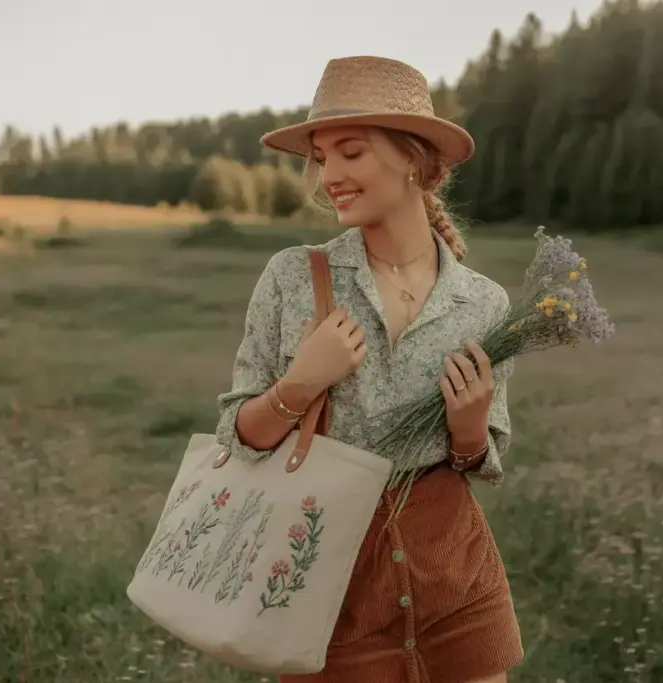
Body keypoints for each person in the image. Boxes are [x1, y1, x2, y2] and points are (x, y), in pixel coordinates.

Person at [214, 55, 523, 683]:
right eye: (322, 158)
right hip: (327, 583)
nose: (329, 175)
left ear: (413, 158)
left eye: (350, 153)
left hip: (456, 576)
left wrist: (468, 427)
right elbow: (237, 436)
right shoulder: (293, 277)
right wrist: (300, 384)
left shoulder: (485, 302)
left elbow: (479, 460)